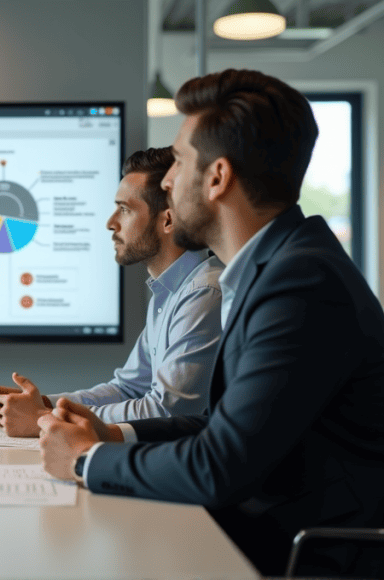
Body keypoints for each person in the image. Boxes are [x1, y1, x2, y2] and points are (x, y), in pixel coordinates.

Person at [38, 69, 384, 576]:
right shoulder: (277, 267)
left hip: (303, 554)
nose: (170, 180)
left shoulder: (299, 282)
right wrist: (115, 438)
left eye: (178, 161)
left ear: (218, 177)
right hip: (268, 529)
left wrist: (86, 460)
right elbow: (226, 426)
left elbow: (220, 465)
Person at [0, 147, 223, 436]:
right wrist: (41, 403)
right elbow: (129, 387)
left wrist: (44, 417)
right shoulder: (170, 291)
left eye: (124, 209)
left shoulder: (205, 293)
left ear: (167, 220)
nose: (111, 223)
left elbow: (166, 410)